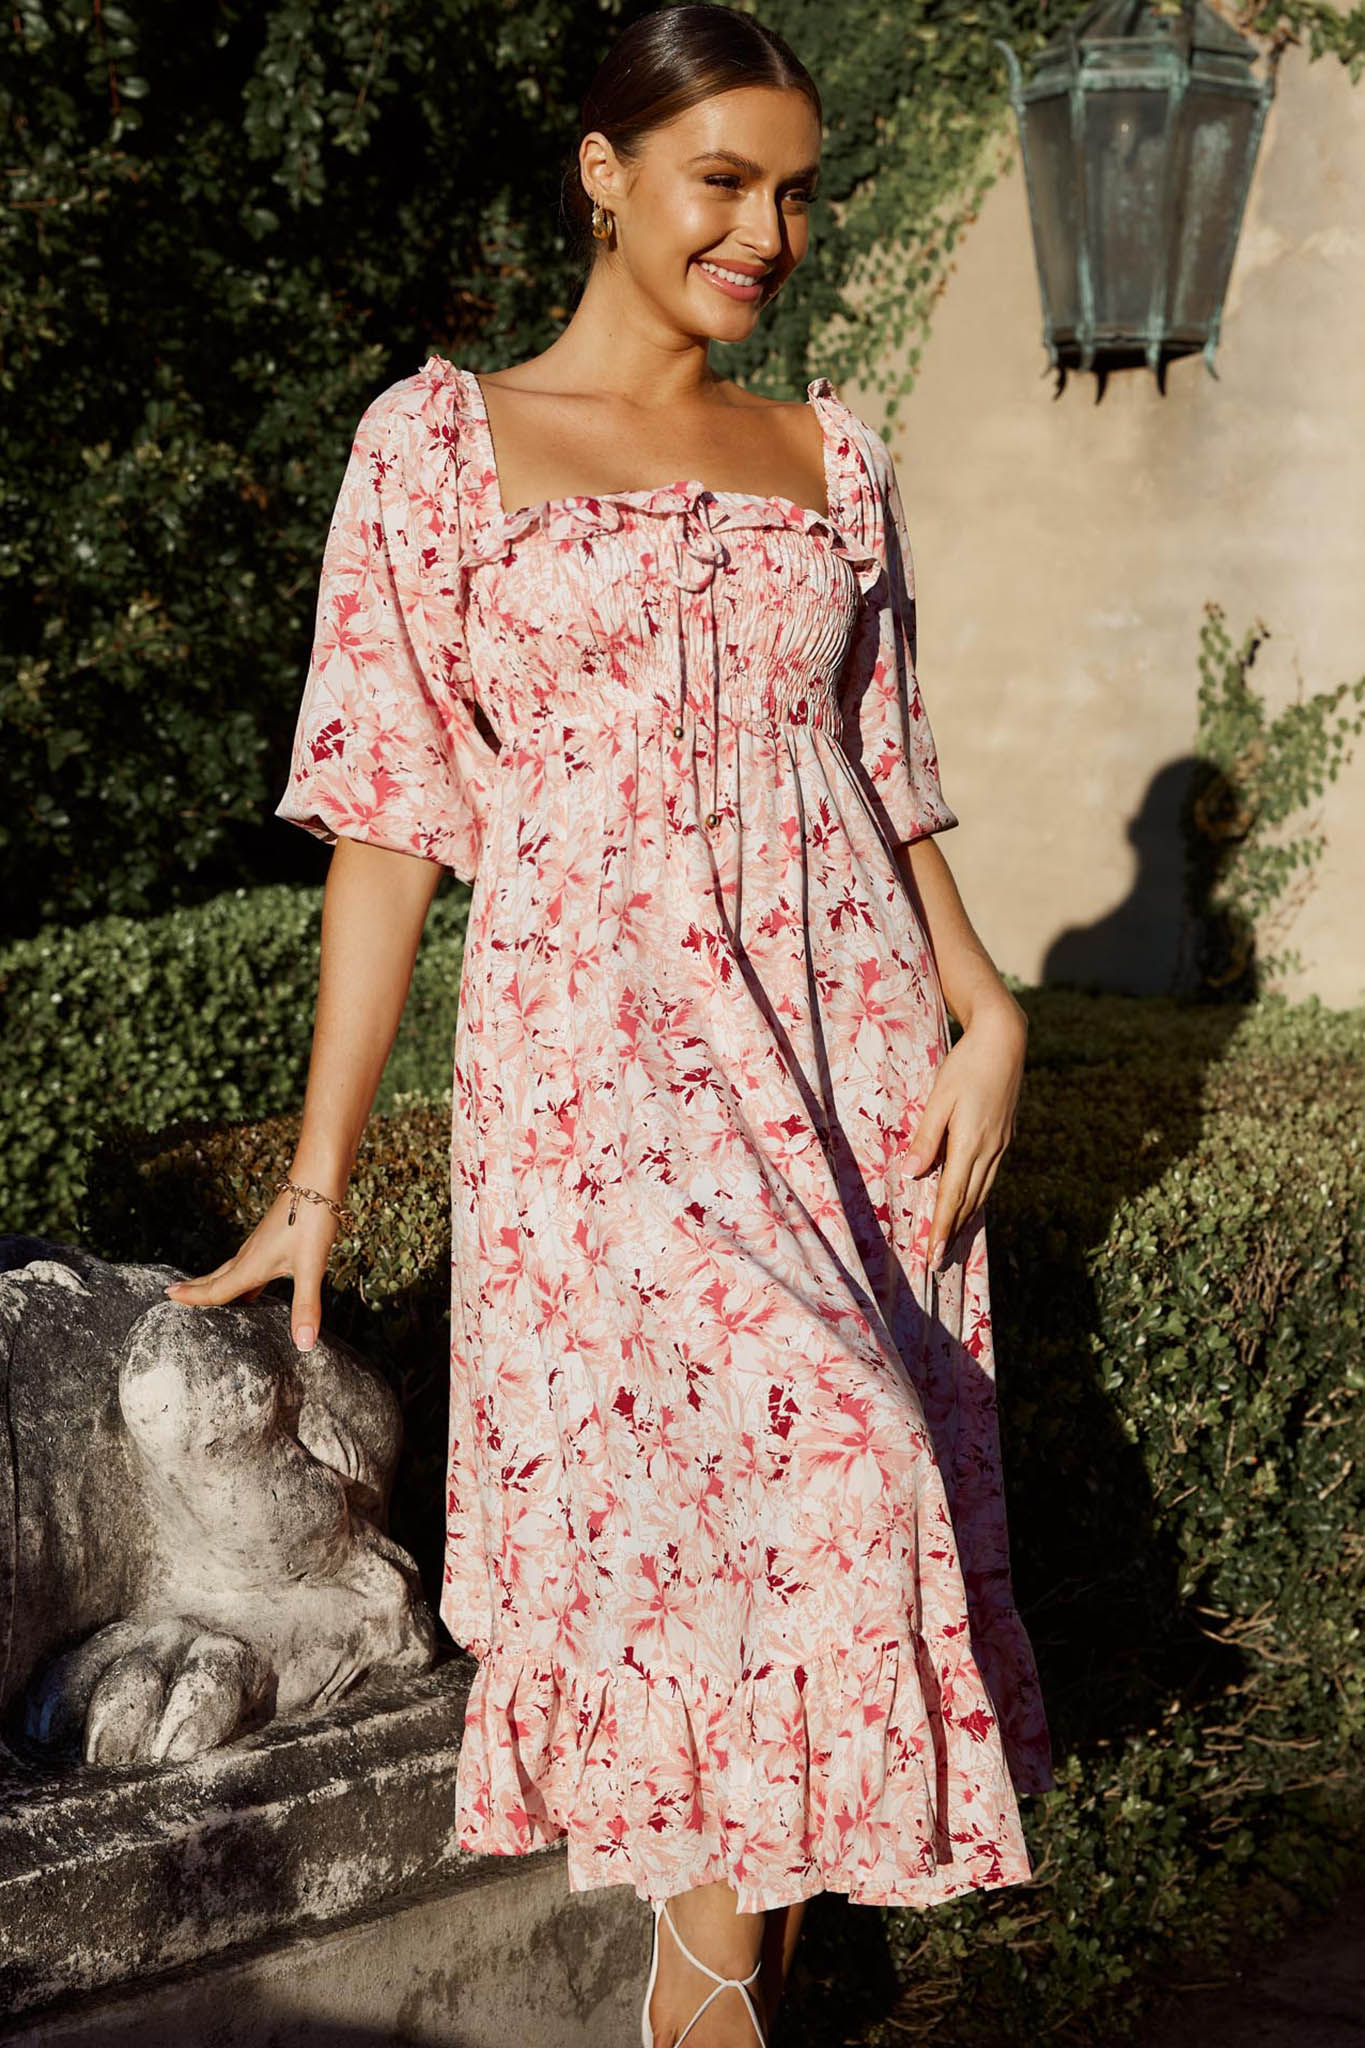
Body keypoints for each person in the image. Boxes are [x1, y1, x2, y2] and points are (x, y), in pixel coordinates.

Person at [165, 7, 1054, 2043]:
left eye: (795, 192)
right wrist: (318, 1177)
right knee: (830, 1466)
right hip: (598, 1073)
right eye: (721, 180)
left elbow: (885, 770)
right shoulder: (436, 446)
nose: (766, 232)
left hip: (845, 1041)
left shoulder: (834, 456)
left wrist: (984, 1004)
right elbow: (386, 822)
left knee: (806, 1509)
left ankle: (721, 1985)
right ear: (602, 170)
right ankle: (706, 1996)